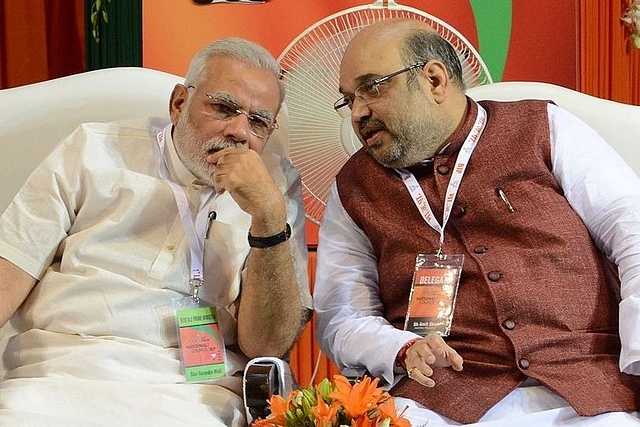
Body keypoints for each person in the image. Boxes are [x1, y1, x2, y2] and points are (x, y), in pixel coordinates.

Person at [313, 18, 640, 426]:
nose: (359, 112)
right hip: (441, 398)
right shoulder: (353, 188)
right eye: (349, 99)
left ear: (434, 80)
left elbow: (633, 233)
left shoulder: (546, 128)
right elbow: (340, 317)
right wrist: (400, 349)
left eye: (373, 88)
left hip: (586, 388)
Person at [0, 37, 312, 426]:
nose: (239, 131)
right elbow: (8, 274)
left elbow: (267, 345)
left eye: (258, 121)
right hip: (59, 372)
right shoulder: (91, 150)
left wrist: (267, 217)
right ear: (179, 103)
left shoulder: (277, 185)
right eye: (223, 108)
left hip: (195, 395)